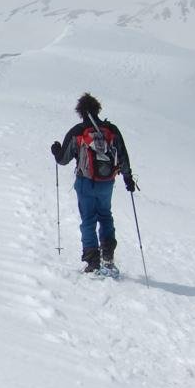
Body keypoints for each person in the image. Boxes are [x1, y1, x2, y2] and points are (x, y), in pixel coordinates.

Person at [51, 93, 136, 273]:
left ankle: (92, 262)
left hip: (85, 182)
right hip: (107, 182)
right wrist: (128, 178)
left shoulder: (77, 131)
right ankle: (108, 257)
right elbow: (123, 155)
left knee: (88, 220)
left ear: (80, 111)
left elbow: (62, 159)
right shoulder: (111, 129)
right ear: (98, 109)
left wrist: (56, 150)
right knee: (105, 215)